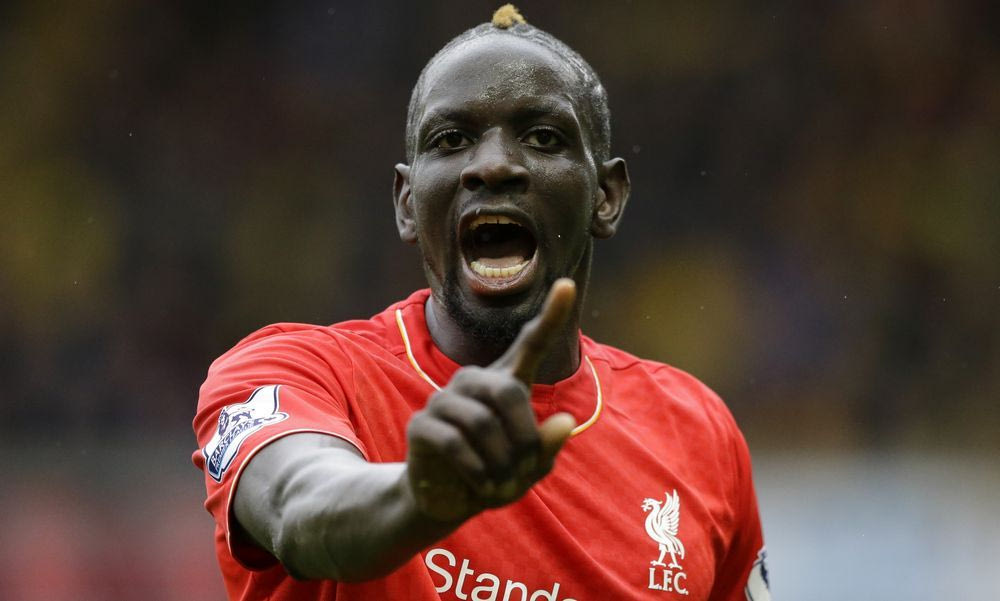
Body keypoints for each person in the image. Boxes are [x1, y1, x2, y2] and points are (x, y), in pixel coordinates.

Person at [193, 5, 770, 600]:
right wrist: (417, 498)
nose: (493, 165)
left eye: (543, 137)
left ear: (606, 196)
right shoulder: (292, 374)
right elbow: (300, 508)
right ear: (407, 203)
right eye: (451, 140)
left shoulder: (698, 434)